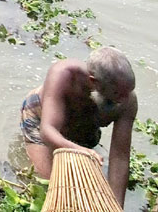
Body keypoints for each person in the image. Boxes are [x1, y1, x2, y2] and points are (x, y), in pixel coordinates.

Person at [19, 47, 137, 207]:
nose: (124, 100)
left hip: (83, 126)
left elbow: (120, 156)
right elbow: (48, 130)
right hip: (41, 120)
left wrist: (116, 206)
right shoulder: (63, 74)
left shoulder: (128, 100)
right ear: (94, 82)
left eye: (127, 93)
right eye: (117, 94)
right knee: (49, 185)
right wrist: (81, 151)